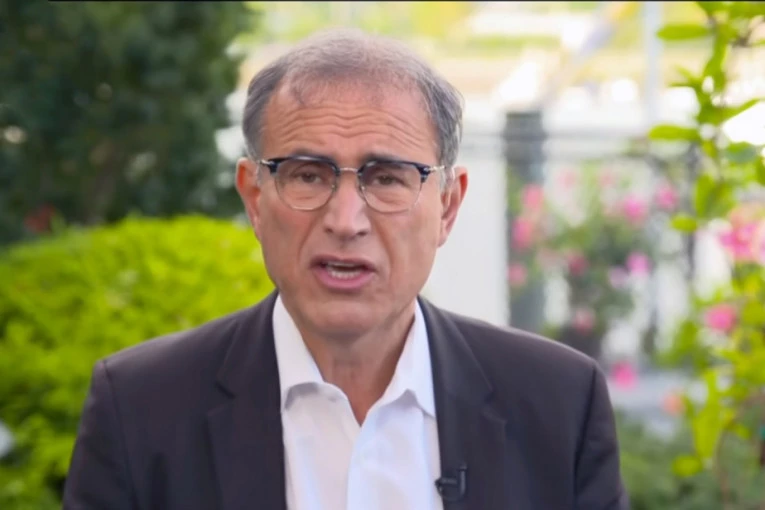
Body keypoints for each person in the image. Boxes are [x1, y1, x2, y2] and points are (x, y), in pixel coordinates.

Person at [63, 29, 629, 510]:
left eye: (386, 178)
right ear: (255, 198)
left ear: (447, 206)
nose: (345, 220)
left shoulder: (558, 406)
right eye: (308, 175)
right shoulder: (139, 411)